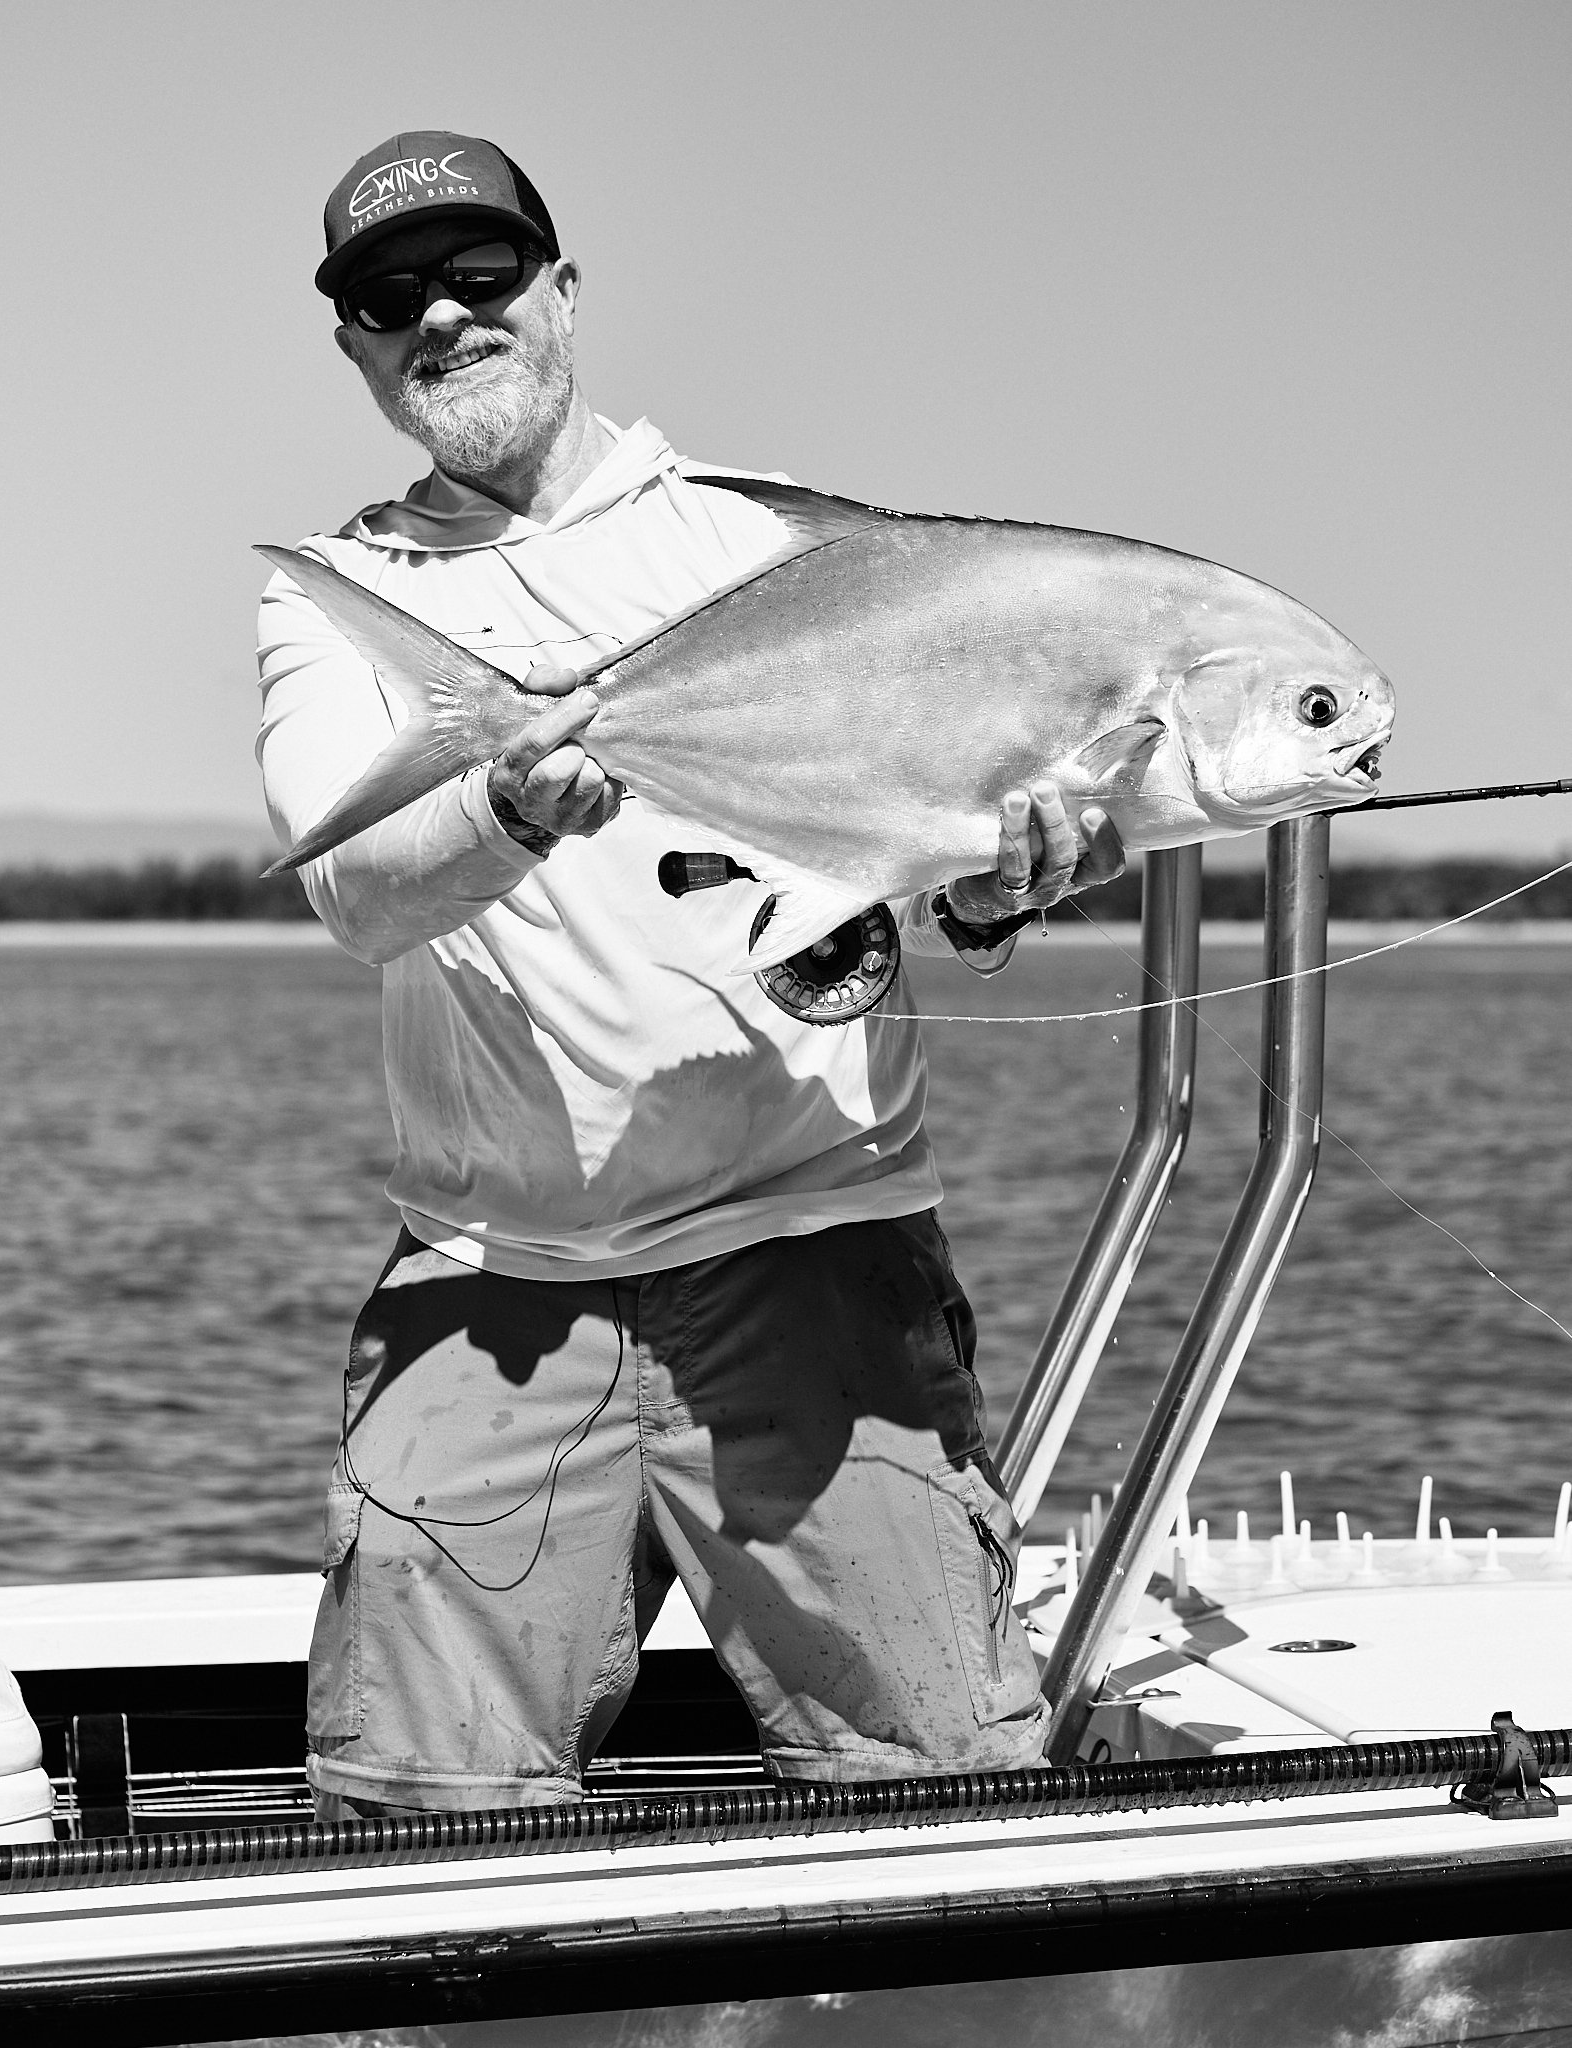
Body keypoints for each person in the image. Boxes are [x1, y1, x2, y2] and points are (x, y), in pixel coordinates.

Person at [257, 131, 1125, 1818]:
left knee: (938, 1800)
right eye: (389, 297)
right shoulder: (343, 596)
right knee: (415, 1828)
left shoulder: (775, 543)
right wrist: (507, 803)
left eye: (481, 274)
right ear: (352, 344)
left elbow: (919, 823)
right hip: (491, 1284)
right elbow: (354, 892)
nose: (441, 316)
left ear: (564, 293)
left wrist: (996, 886)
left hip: (814, 1249)